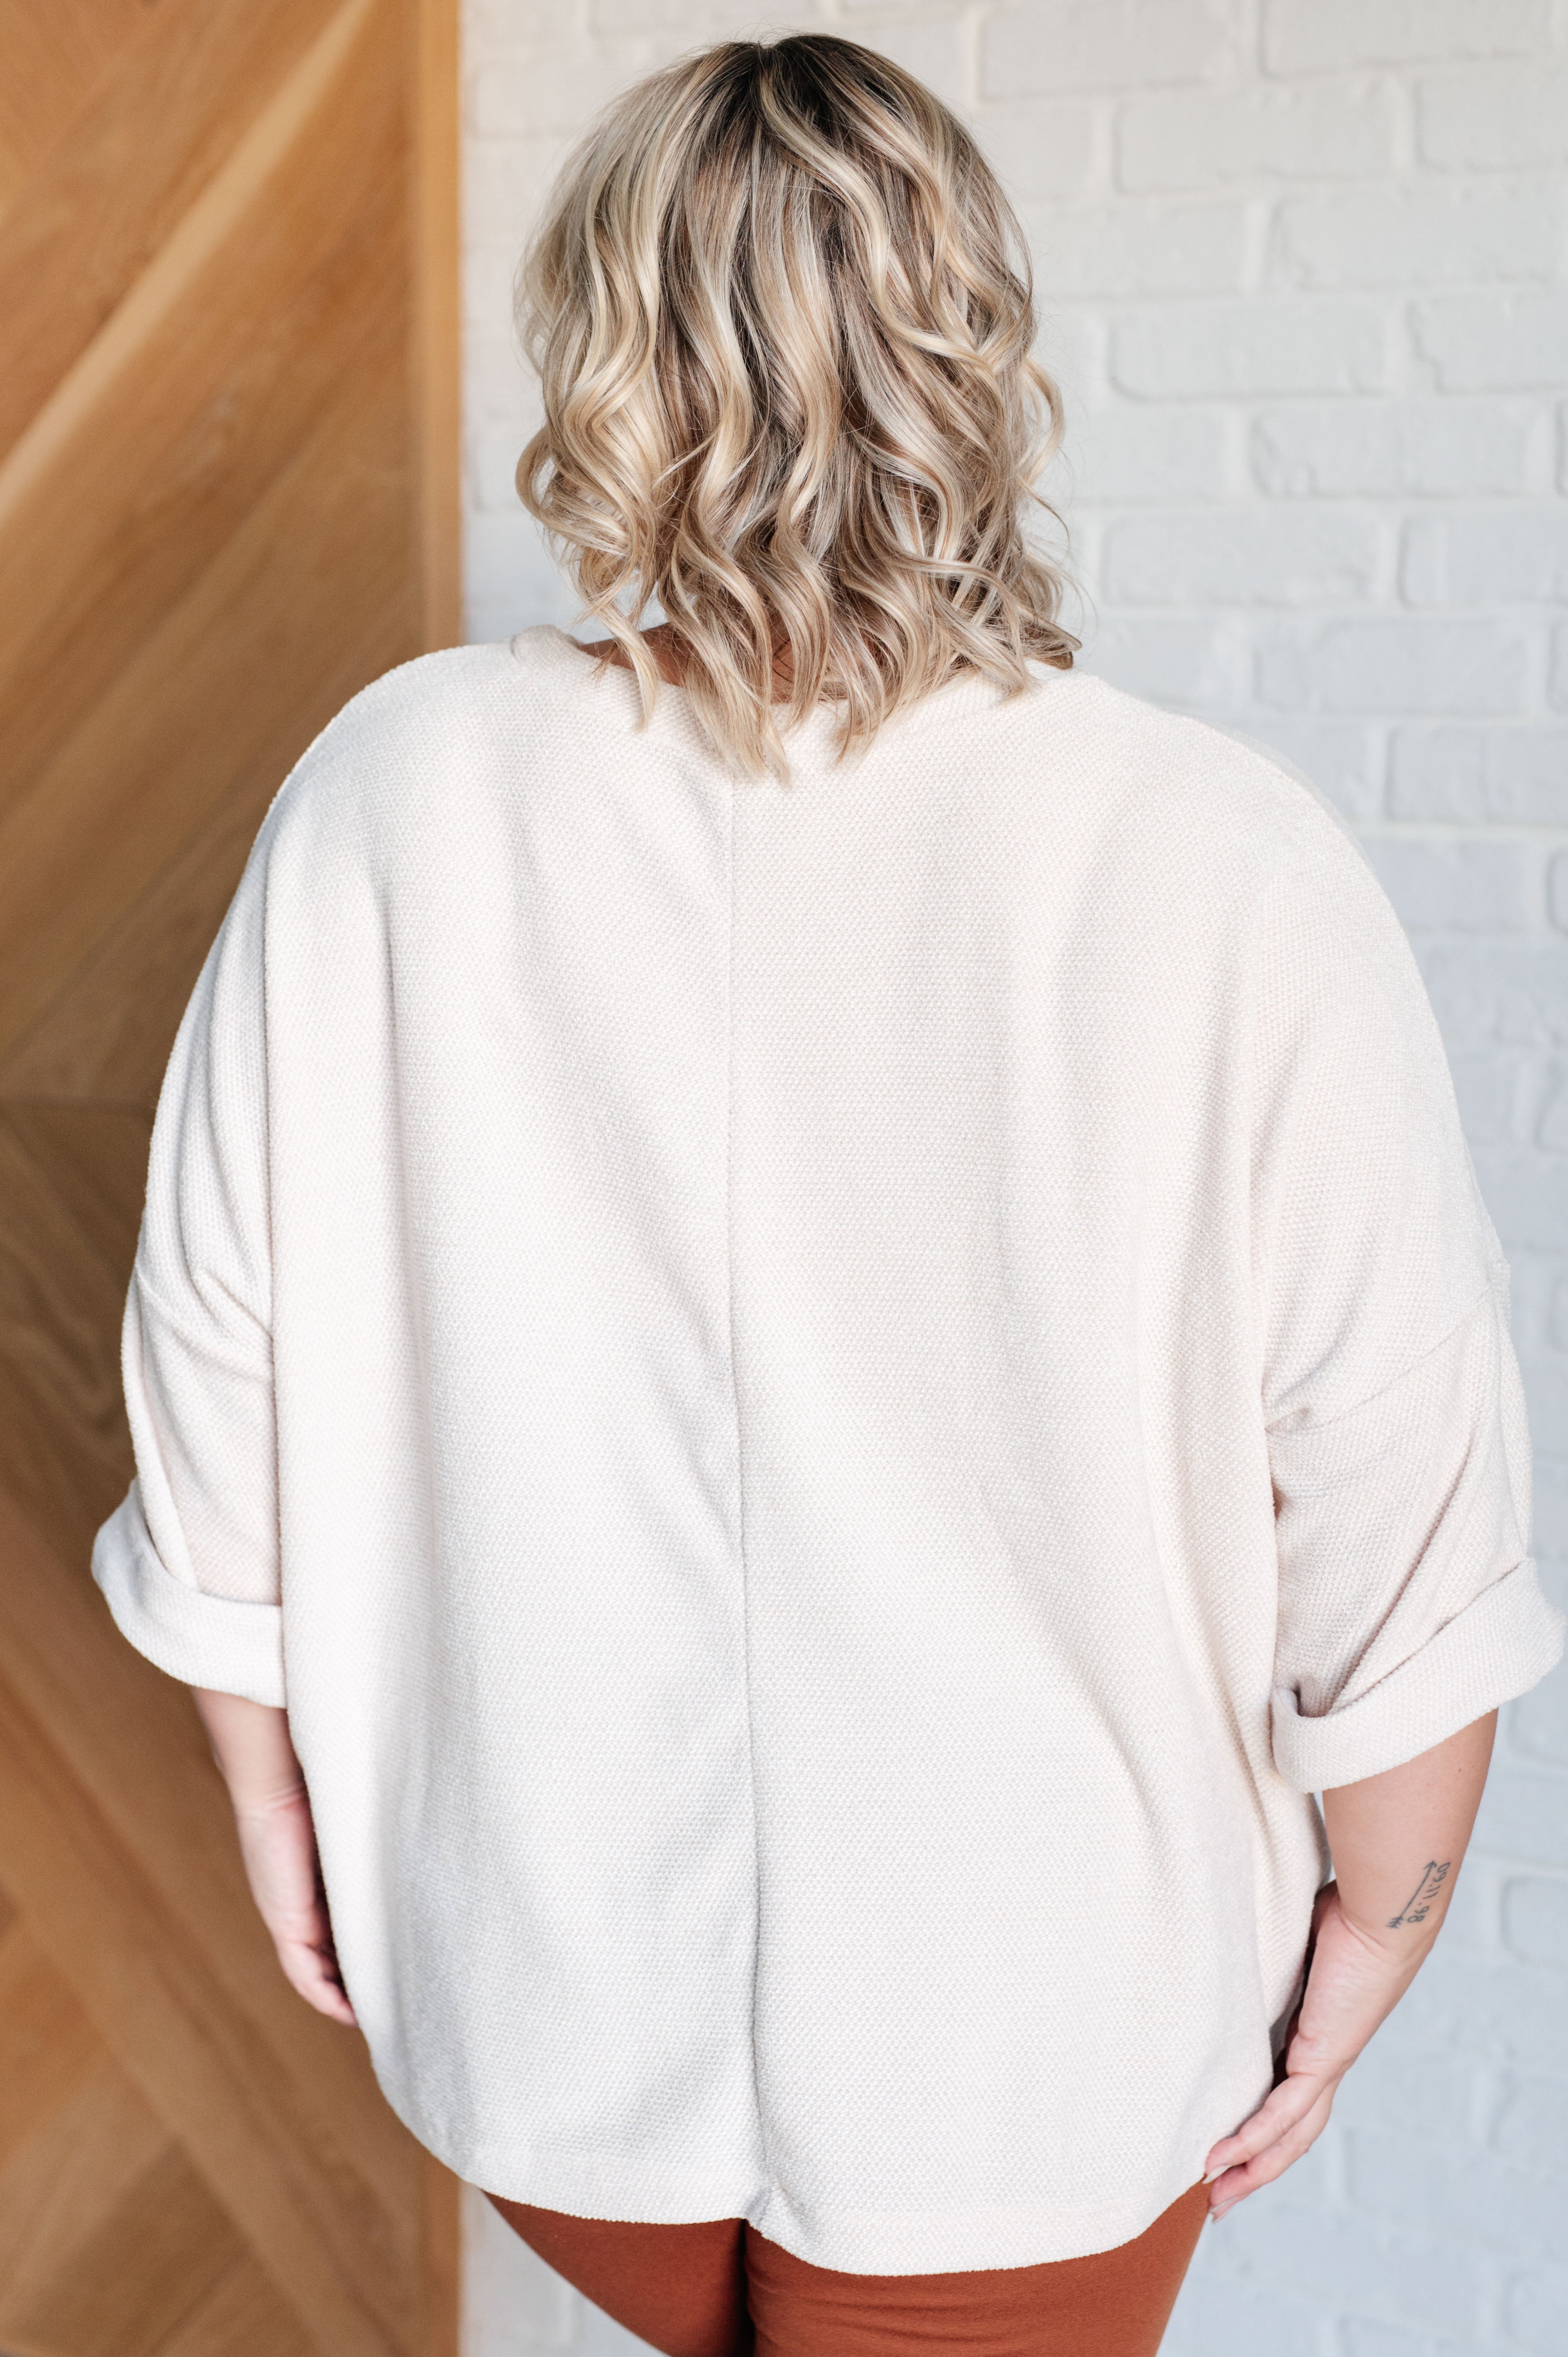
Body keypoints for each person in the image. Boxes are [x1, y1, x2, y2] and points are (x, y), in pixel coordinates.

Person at [92, 33, 1562, 2357]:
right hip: (1041, 2072)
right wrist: (1367, 1943)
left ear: (601, 354)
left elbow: (213, 1364)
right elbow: (1396, 1499)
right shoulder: (1223, 863)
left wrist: (285, 1811)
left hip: (546, 2018)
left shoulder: (394, 795)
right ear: (972, 348)